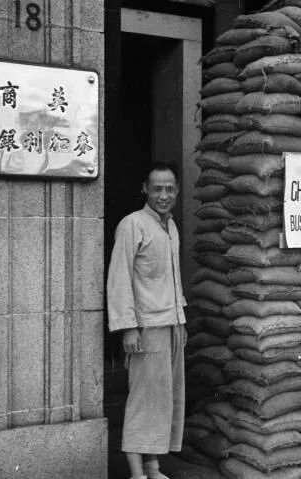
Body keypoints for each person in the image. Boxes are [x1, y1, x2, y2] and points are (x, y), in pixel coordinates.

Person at [107, 162, 187, 479]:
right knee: (143, 400)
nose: (163, 195)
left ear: (177, 191)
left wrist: (181, 320)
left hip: (172, 324)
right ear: (145, 189)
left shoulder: (171, 227)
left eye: (169, 189)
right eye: (157, 189)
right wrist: (128, 327)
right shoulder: (133, 224)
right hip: (146, 328)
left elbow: (173, 279)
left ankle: (153, 467)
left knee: (163, 400)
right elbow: (119, 278)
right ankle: (137, 474)